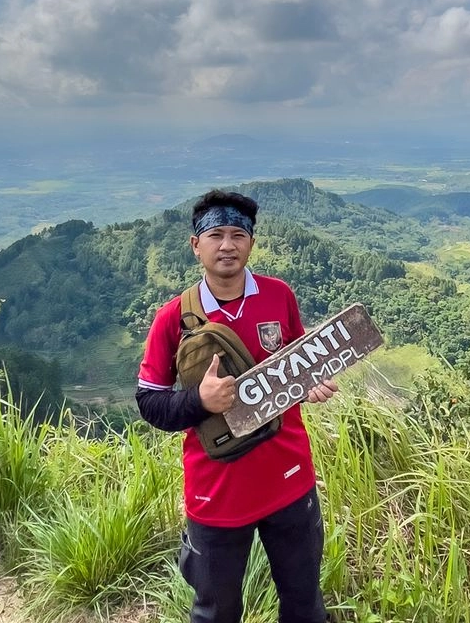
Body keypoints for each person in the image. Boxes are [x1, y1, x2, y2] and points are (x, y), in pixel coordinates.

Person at [136, 189, 338, 623]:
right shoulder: (173, 318)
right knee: (215, 613)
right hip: (217, 492)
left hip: (289, 478)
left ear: (250, 242)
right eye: (215, 235)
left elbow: (297, 361)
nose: (227, 245)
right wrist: (198, 401)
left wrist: (310, 383)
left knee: (305, 604)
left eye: (237, 235)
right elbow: (150, 402)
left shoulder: (278, 295)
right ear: (196, 245)